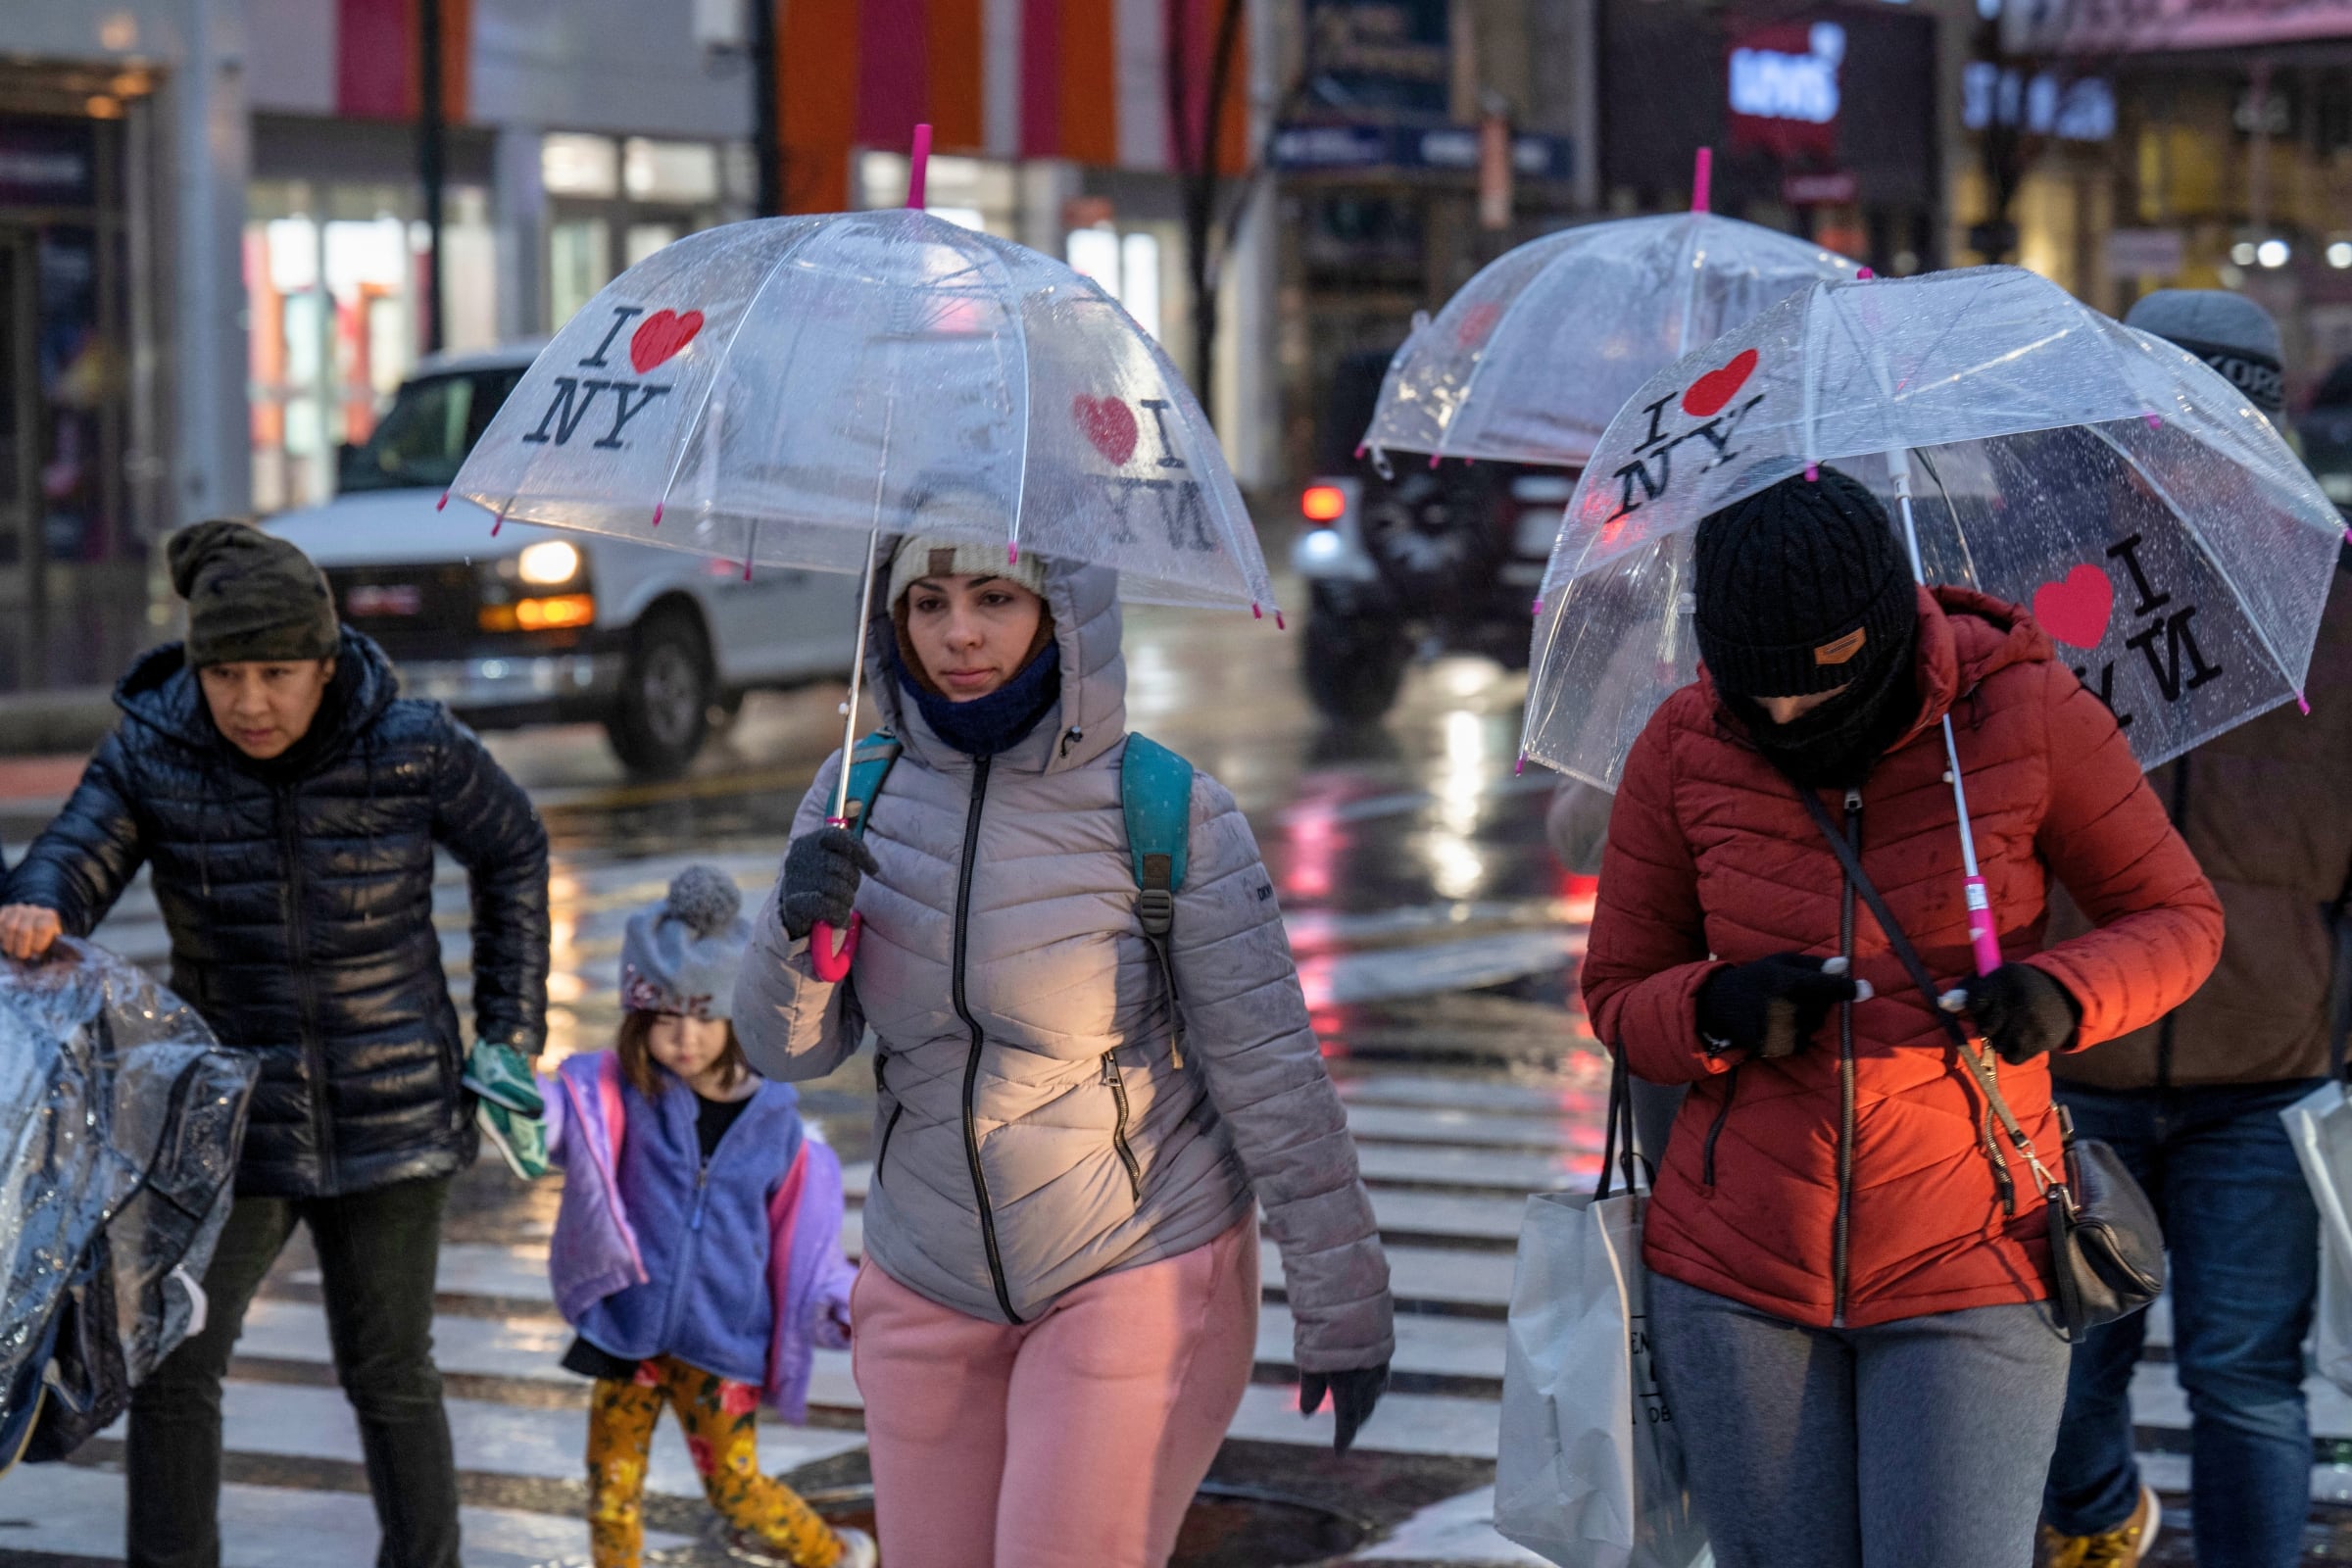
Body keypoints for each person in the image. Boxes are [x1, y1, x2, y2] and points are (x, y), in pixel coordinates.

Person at [1581, 469, 2224, 1568]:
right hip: (1735, 1274)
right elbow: (1617, 992)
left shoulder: (2023, 712)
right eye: (1757, 691)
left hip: (1978, 1252)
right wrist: (1714, 1008)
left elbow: (2178, 917)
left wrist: (2064, 992)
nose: (1786, 720)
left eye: (1816, 687)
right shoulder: (1684, 743)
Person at [735, 538, 1395, 1568]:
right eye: (928, 601)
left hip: (1130, 1263)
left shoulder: (1167, 810)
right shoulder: (853, 791)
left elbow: (1272, 1076)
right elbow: (786, 1055)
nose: (959, 632)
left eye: (996, 597)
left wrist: (1344, 1307)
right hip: (923, 1274)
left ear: (1064, 617)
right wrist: (793, 928)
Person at [0, 520, 551, 1568]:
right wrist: (35, 903)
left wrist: (509, 1031)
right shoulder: (153, 748)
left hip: (395, 1112)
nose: (250, 701)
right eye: (226, 673)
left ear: (325, 663)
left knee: (391, 1371)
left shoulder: (412, 741)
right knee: (176, 1367)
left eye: (277, 672)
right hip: (228, 1125)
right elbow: (72, 855)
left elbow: (513, 846)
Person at [2037, 291, 2349, 1568]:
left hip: (2267, 1069)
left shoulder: (2327, 588)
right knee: (2062, 1377)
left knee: (2244, 1382)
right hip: (2075, 1052)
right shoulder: (2048, 572)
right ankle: (2104, 1511)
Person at [543, 865, 873, 1568]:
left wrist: (842, 1307)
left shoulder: (778, 1127)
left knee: (735, 1489)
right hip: (627, 1332)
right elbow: (564, 1114)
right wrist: (521, 1107)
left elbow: (807, 1252)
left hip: (723, 1345)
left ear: (735, 1015)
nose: (683, 1038)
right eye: (664, 1016)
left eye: (703, 1014)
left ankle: (835, 1555)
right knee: (610, 1490)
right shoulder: (623, 1092)